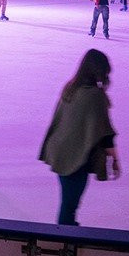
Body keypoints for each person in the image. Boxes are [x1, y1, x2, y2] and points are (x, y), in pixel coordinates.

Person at [39, 49, 119, 226]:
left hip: (60, 151)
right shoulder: (94, 96)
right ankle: (65, 239)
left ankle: (67, 232)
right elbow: (105, 132)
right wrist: (115, 159)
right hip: (75, 157)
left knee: (69, 202)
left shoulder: (71, 87)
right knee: (69, 205)